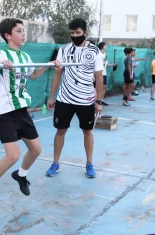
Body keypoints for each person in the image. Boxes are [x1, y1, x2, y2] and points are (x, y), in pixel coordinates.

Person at [0, 18, 60, 210]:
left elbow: (34, 75)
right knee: (13, 155)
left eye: (23, 31)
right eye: (19, 31)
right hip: (5, 112)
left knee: (36, 149)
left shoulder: (25, 57)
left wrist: (49, 64)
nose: (23, 34)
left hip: (21, 109)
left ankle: (20, 175)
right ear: (8, 35)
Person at [46, 18, 103, 178]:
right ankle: (55, 163)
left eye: (78, 32)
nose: (74, 35)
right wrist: (52, 97)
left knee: (87, 132)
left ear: (85, 33)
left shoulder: (94, 51)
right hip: (65, 99)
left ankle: (89, 163)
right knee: (60, 131)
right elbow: (58, 74)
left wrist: (98, 101)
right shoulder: (64, 49)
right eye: (72, 33)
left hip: (86, 100)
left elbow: (99, 78)